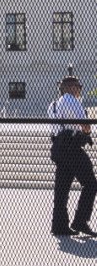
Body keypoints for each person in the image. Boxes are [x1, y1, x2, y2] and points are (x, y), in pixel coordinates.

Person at [48, 75, 96, 236]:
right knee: (91, 183)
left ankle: (59, 225)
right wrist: (87, 130)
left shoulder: (53, 105)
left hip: (58, 148)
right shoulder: (72, 101)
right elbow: (85, 125)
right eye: (79, 87)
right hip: (72, 148)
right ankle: (80, 221)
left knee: (61, 189)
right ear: (73, 88)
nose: (80, 90)